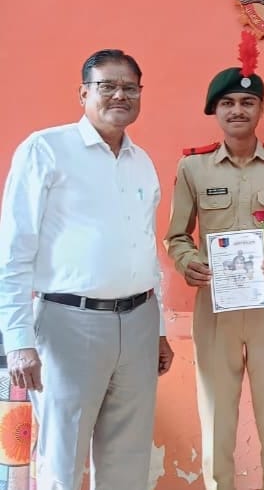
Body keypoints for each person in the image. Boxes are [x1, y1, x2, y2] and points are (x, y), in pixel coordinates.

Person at [0, 49, 173, 490]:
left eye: (129, 87)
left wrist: (158, 330)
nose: (119, 95)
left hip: (138, 323)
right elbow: (13, 251)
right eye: (106, 86)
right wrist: (18, 341)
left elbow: (145, 249)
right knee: (62, 459)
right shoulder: (46, 150)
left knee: (128, 460)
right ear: (83, 93)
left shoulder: (142, 162)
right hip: (69, 324)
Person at [164, 31, 264, 490]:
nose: (237, 110)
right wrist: (189, 263)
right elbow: (176, 236)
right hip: (215, 307)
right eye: (227, 103)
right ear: (215, 111)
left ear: (262, 109)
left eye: (247, 103)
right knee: (216, 419)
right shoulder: (193, 167)